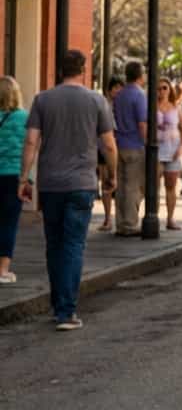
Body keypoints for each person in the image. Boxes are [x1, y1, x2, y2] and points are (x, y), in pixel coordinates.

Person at [20, 50, 118, 330]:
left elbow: (31, 143)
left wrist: (24, 179)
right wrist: (112, 175)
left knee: (54, 245)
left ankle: (58, 305)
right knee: (74, 245)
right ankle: (66, 312)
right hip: (82, 184)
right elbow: (109, 145)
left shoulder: (43, 99)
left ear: (59, 71)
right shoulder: (96, 100)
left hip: (51, 184)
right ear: (84, 70)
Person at [111, 61, 148, 237]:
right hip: (135, 145)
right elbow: (142, 123)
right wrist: (147, 141)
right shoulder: (139, 95)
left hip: (119, 145)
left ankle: (120, 223)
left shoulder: (119, 95)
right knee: (134, 187)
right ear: (140, 75)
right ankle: (131, 224)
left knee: (121, 187)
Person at [0, 76, 29, 284]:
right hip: (13, 175)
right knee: (9, 222)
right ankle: (3, 270)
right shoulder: (24, 118)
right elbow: (30, 146)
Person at [155, 78, 182, 231]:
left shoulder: (176, 107)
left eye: (164, 88)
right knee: (154, 186)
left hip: (173, 150)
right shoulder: (151, 107)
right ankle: (153, 216)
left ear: (170, 90)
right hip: (156, 151)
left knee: (171, 186)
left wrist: (181, 147)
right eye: (158, 88)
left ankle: (170, 219)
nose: (161, 91)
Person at [99, 77, 123, 230]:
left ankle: (119, 217)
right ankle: (108, 218)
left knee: (119, 183)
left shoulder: (122, 106)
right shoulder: (104, 105)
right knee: (106, 182)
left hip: (120, 146)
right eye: (116, 88)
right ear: (109, 89)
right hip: (104, 148)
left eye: (121, 88)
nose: (118, 91)